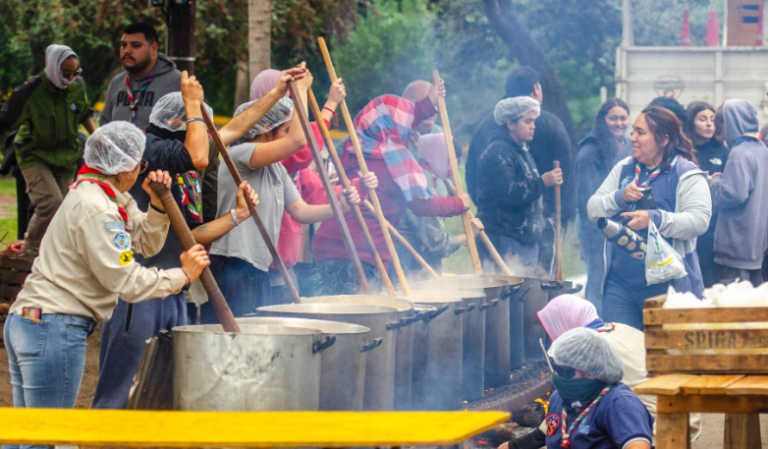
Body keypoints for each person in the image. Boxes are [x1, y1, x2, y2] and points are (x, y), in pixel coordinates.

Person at [3, 123, 209, 443]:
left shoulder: (105, 195)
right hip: (53, 325)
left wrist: (157, 205)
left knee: (27, 437)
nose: (141, 171)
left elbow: (144, 244)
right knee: (49, 436)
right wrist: (183, 275)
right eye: (140, 164)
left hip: (34, 321)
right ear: (125, 168)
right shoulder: (98, 209)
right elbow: (127, 280)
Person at [92, 70, 277, 409]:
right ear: (179, 122)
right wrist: (193, 104)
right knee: (120, 393)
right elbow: (201, 155)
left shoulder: (185, 164)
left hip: (175, 290)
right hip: (140, 294)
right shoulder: (150, 147)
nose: (207, 135)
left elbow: (190, 235)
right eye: (200, 126)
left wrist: (237, 215)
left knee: (166, 393)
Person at [202, 71, 374, 321]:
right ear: (265, 128)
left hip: (259, 267)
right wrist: (300, 91)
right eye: (285, 130)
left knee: (257, 338)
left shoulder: (276, 167)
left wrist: (341, 206)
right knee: (231, 340)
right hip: (233, 264)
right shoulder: (241, 154)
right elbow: (298, 142)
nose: (289, 136)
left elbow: (301, 211)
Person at [312, 83, 468, 294]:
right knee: (364, 313)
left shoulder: (356, 148)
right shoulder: (389, 162)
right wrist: (459, 203)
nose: (409, 125)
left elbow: (407, 116)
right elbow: (423, 205)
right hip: (355, 255)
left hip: (333, 248)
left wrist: (429, 103)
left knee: (345, 311)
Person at [588, 106, 710, 329]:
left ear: (663, 140)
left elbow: (699, 221)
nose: (632, 138)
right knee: (620, 349)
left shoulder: (686, 172)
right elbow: (593, 208)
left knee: (661, 350)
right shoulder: (624, 168)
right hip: (619, 287)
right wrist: (619, 197)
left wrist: (654, 219)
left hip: (667, 287)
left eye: (640, 132)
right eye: (633, 131)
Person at [249, 68, 348, 303]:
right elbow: (301, 151)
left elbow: (314, 195)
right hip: (260, 267)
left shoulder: (287, 151)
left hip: (285, 266)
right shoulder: (259, 145)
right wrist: (330, 105)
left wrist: (351, 192)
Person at [468, 67, 574, 275]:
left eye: (533, 121)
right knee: (509, 289)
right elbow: (507, 193)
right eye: (528, 122)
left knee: (531, 288)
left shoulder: (520, 150)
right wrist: (542, 183)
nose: (533, 126)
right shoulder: (498, 151)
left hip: (529, 234)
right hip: (505, 235)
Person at [8, 44, 97, 254]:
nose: (71, 78)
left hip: (65, 156)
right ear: (53, 68)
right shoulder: (33, 91)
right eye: (66, 73)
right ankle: (30, 249)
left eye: (75, 72)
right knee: (50, 203)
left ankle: (54, 251)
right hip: (34, 154)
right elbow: (9, 117)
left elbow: (84, 115)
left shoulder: (75, 89)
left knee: (65, 207)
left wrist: (98, 138)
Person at [395, 80, 483, 279]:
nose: (434, 111)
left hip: (424, 252)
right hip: (406, 256)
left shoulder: (437, 138)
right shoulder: (420, 180)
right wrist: (468, 235)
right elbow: (437, 243)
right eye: (430, 104)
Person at [544, 327, 653, 449]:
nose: (556, 375)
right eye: (555, 368)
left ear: (590, 372)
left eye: (564, 371)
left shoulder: (620, 402)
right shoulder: (558, 398)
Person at [575, 99, 631, 312]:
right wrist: (598, 230)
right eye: (613, 118)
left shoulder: (625, 144)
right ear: (602, 119)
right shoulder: (589, 152)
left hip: (617, 223)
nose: (619, 123)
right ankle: (593, 321)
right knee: (598, 277)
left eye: (623, 118)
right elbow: (586, 198)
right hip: (595, 226)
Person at [710, 99, 768, 286]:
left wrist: (714, 182)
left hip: (735, 248)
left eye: (721, 128)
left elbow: (730, 195)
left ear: (730, 123)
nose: (722, 134)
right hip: (756, 248)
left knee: (733, 303)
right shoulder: (761, 150)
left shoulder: (739, 153)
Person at [99, 22, 181, 129]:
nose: (127, 51)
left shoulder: (177, 82)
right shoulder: (117, 82)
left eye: (136, 45)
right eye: (123, 45)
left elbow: (194, 127)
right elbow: (105, 126)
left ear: (153, 49)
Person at [684, 101, 729, 287]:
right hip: (688, 223)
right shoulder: (684, 151)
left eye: (712, 119)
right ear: (691, 122)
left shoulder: (723, 151)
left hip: (714, 227)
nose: (709, 124)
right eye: (703, 119)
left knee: (711, 279)